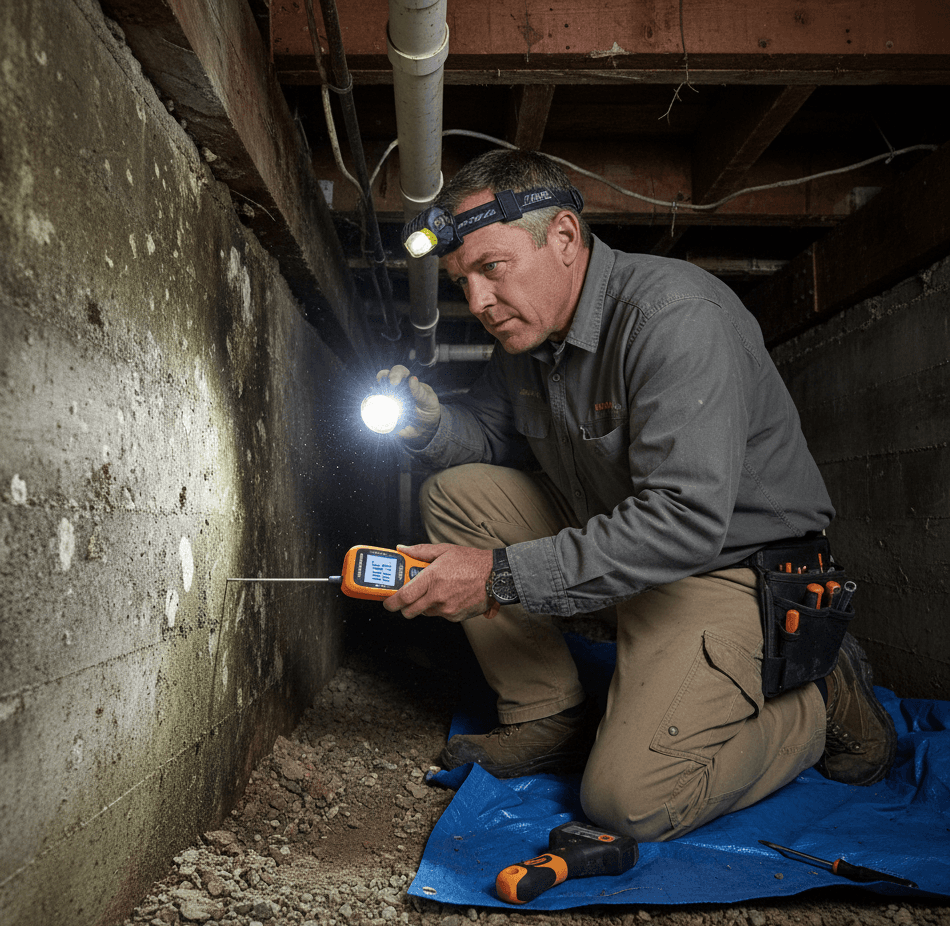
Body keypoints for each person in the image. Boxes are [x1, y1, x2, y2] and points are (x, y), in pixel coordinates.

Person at [378, 149, 896, 841]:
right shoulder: (526, 343)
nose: (477, 302)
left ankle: (818, 696)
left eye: (491, 269)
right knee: (457, 494)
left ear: (563, 237)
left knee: (632, 800)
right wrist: (434, 426)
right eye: (461, 279)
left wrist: (500, 577)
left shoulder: (674, 318)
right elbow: (492, 442)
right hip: (622, 539)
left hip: (730, 571)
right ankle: (547, 717)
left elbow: (684, 522)